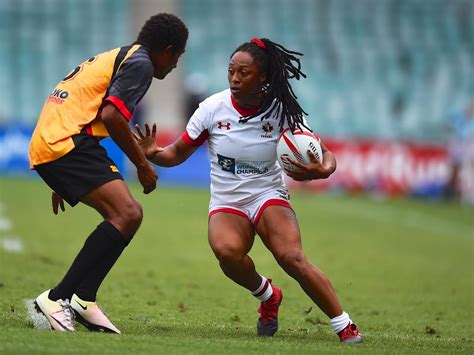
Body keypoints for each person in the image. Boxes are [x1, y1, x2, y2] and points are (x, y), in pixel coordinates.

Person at [134, 38, 362, 343]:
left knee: (291, 257)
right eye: (231, 71)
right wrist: (152, 153)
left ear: (263, 77)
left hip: (267, 194)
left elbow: (324, 153)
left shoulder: (283, 111)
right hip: (227, 199)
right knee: (227, 253)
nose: (235, 78)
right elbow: (175, 154)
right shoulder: (212, 109)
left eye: (244, 73)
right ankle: (268, 296)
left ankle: (344, 325)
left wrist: (323, 169)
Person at [29, 13, 188, 333]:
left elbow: (79, 104)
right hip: (67, 143)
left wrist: (60, 174)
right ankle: (57, 298)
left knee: (128, 214)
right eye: (177, 58)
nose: (173, 67)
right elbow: (113, 115)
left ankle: (84, 299)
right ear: (168, 50)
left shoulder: (119, 56)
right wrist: (143, 165)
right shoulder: (141, 63)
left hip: (57, 142)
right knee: (127, 213)